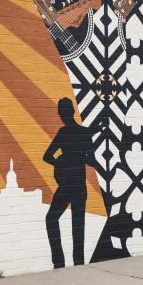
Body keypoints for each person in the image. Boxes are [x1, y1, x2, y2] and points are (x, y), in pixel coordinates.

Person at [43, 98, 97, 268]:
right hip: (77, 186)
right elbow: (91, 162)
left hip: (67, 185)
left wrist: (62, 161)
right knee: (77, 225)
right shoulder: (83, 133)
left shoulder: (64, 132)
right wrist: (77, 158)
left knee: (52, 218)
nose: (61, 115)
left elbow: (47, 156)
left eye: (61, 112)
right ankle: (77, 263)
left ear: (64, 113)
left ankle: (59, 261)